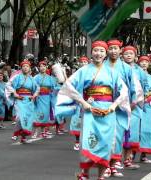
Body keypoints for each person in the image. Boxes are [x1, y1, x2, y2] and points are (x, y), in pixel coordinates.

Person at [59, 40, 127, 180]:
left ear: (105, 53)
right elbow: (68, 86)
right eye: (96, 50)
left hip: (108, 112)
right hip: (90, 111)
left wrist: (114, 106)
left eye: (102, 51)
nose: (99, 53)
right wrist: (83, 102)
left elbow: (124, 91)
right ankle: (85, 174)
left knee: (105, 143)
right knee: (88, 142)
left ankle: (101, 176)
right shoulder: (83, 70)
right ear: (91, 52)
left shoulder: (112, 72)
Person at [104, 40, 136, 177]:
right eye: (110, 48)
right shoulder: (100, 66)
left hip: (121, 107)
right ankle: (104, 165)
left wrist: (133, 101)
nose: (113, 51)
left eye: (115, 48)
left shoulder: (127, 68)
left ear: (120, 50)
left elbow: (134, 87)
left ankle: (113, 164)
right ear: (107, 51)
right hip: (104, 105)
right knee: (104, 135)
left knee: (117, 136)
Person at [121, 45, 145, 169]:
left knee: (132, 133)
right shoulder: (118, 68)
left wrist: (138, 101)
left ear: (135, 56)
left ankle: (128, 160)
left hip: (135, 105)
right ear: (122, 55)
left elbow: (144, 86)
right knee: (119, 132)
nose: (129, 55)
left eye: (131, 53)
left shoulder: (139, 71)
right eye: (126, 53)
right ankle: (116, 161)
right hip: (120, 104)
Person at [7, 59, 39, 143]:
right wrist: (15, 93)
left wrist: (34, 96)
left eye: (27, 66)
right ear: (21, 68)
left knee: (27, 118)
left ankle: (23, 136)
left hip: (28, 100)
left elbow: (37, 88)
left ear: (29, 68)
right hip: (19, 99)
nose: (25, 68)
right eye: (24, 66)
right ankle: (15, 133)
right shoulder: (17, 77)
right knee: (20, 117)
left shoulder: (32, 79)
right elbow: (8, 85)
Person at [32, 61, 56, 139]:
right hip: (39, 97)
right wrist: (35, 95)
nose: (42, 67)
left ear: (46, 68)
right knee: (37, 114)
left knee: (45, 115)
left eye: (44, 66)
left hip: (47, 98)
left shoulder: (50, 78)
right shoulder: (36, 77)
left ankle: (43, 132)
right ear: (39, 68)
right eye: (41, 66)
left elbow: (53, 88)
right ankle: (35, 132)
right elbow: (33, 87)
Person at [70, 56, 89, 151]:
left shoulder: (92, 73)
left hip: (90, 100)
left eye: (86, 62)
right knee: (77, 121)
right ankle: (77, 142)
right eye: (82, 62)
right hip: (78, 101)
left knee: (89, 122)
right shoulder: (76, 74)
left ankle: (86, 143)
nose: (84, 63)